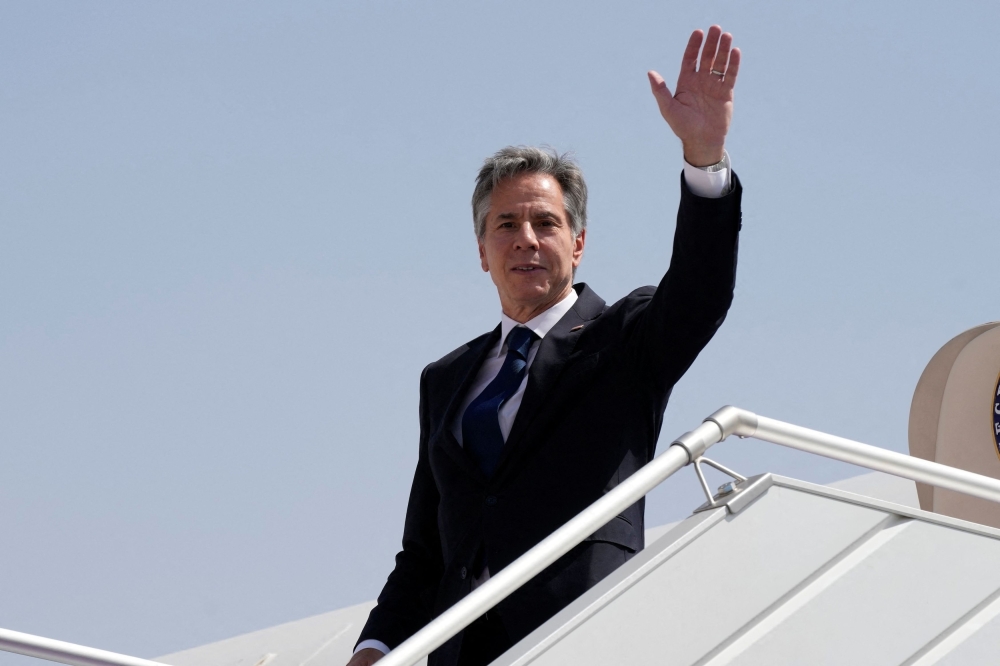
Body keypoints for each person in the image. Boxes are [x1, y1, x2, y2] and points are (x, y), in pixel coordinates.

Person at [348, 25, 743, 666]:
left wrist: (704, 159)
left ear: (578, 244)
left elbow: (700, 293)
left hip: (579, 644)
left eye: (546, 223)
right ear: (482, 252)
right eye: (506, 225)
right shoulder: (443, 380)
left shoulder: (625, 338)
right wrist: (375, 648)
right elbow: (425, 551)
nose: (526, 238)